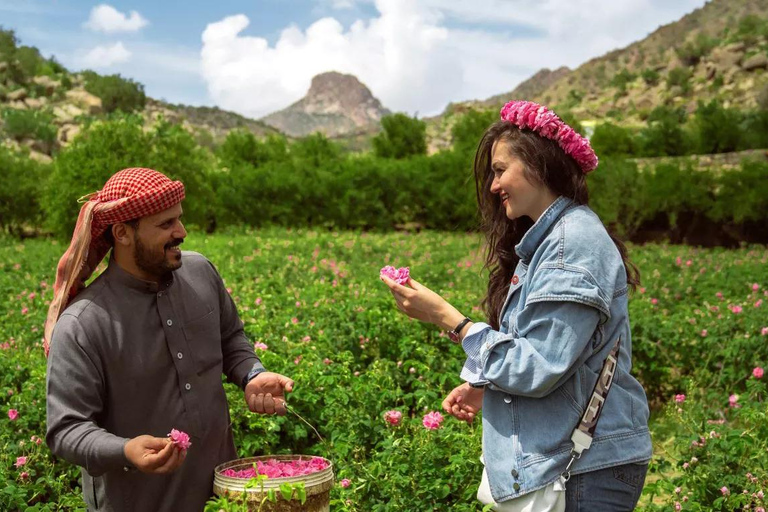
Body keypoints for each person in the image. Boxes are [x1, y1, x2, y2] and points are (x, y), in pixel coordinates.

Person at [382, 101, 652, 511]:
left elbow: (537, 367)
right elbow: (554, 353)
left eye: (499, 169)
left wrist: (449, 319)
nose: (493, 186)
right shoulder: (551, 242)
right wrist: (487, 387)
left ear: (538, 165)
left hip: (584, 471)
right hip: (576, 465)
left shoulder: (568, 246)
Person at [44, 168, 294, 511]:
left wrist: (252, 373)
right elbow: (66, 429)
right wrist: (125, 450)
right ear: (122, 233)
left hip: (222, 497)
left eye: (179, 219)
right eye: (165, 225)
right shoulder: (83, 323)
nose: (182, 233)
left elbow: (231, 338)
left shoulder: (201, 272)